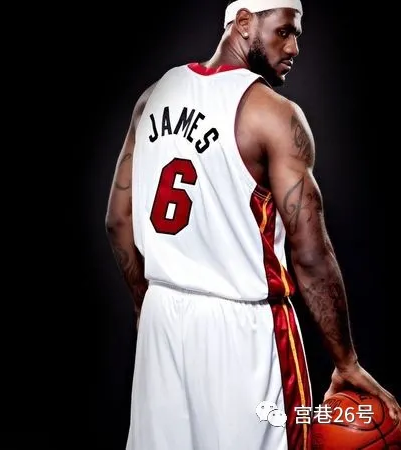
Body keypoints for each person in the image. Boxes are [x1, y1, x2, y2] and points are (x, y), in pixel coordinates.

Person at [104, 0, 401, 449]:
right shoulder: (273, 114)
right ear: (244, 23)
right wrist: (345, 361)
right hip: (243, 331)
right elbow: (310, 254)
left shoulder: (154, 96)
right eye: (284, 31)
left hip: (163, 321)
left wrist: (145, 304)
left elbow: (117, 220)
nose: (294, 47)